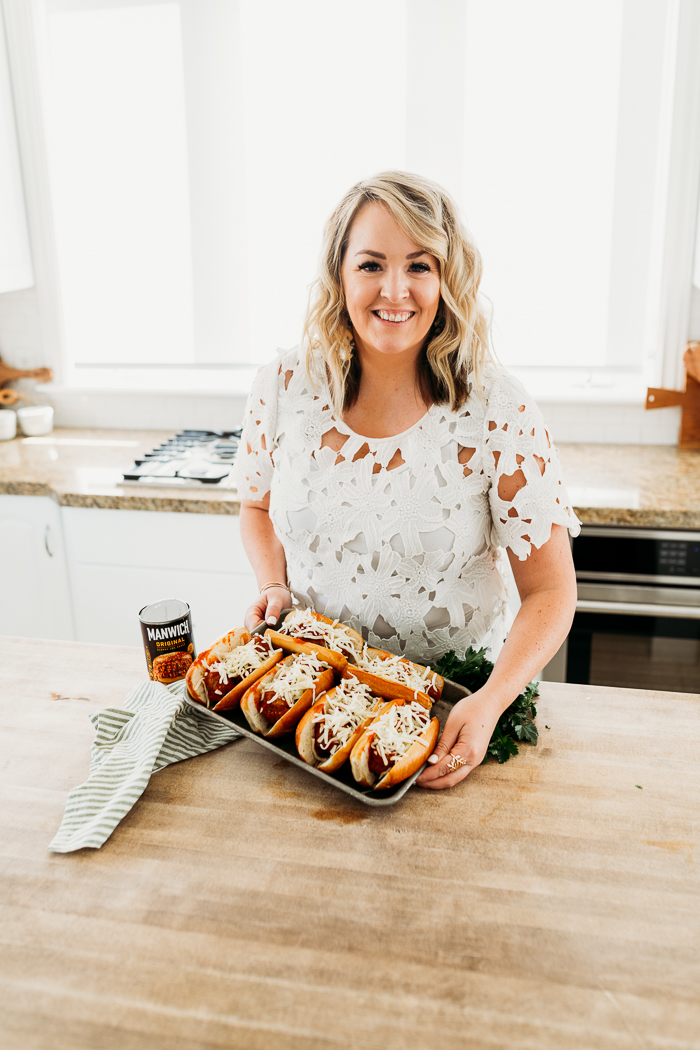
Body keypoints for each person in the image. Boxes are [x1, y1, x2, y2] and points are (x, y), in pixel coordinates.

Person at [234, 171, 579, 790]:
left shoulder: (498, 410)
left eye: (419, 265)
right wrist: (272, 584)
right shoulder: (285, 386)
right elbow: (256, 507)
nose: (395, 289)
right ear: (339, 275)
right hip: (309, 709)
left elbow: (551, 592)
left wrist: (491, 701)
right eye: (371, 264)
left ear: (447, 279)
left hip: (456, 716)